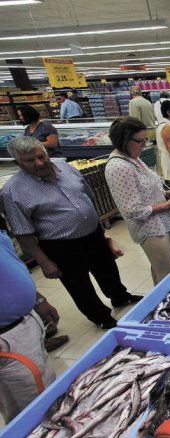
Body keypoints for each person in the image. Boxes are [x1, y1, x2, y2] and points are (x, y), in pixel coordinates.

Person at [1, 137, 141, 329]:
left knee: (107, 269)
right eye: (30, 160)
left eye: (41, 156)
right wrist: (44, 261)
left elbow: (88, 198)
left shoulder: (65, 167)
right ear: (18, 163)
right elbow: (23, 232)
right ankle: (100, 317)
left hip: (92, 234)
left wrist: (102, 233)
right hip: (60, 246)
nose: (39, 163)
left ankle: (120, 297)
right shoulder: (13, 191)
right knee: (79, 285)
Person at [104, 117, 170, 285]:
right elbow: (133, 210)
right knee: (168, 276)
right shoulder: (119, 167)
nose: (144, 145)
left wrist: (165, 193)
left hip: (160, 224)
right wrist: (168, 205)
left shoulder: (133, 157)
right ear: (124, 140)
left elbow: (146, 185)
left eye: (145, 139)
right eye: (140, 141)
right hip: (150, 229)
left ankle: (159, 307)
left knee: (161, 270)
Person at [0, 229, 57, 423]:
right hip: (6, 341)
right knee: (34, 415)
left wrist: (36, 297)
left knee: (50, 393)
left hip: (28, 323)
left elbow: (7, 267)